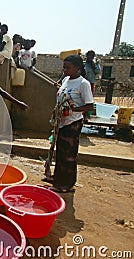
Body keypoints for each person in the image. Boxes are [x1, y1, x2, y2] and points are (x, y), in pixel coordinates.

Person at [43, 55, 94, 193]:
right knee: (60, 151)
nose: (64, 70)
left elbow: (89, 106)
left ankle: (66, 183)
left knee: (69, 154)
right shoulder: (66, 80)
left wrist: (72, 110)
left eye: (68, 67)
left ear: (77, 68)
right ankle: (58, 178)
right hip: (61, 122)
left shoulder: (83, 84)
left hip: (72, 122)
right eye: (64, 67)